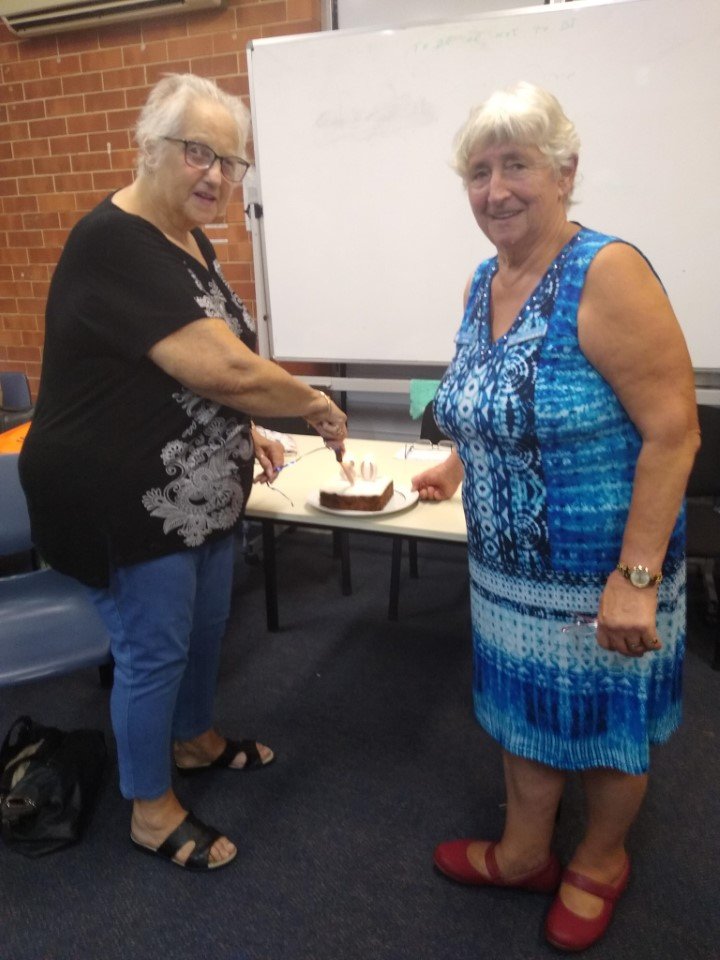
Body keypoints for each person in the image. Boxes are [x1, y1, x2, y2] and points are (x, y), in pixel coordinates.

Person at [18, 74, 347, 873]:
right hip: (121, 494)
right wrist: (309, 404)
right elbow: (223, 367)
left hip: (197, 490)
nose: (216, 176)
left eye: (231, 162)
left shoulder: (185, 237)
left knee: (204, 629)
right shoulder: (113, 241)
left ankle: (194, 741)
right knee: (154, 647)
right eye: (197, 152)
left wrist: (247, 427)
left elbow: (194, 372)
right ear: (147, 148)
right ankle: (150, 809)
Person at [411, 82, 699, 952]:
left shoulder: (606, 271)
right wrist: (458, 459)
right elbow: (491, 394)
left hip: (603, 574)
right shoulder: (482, 280)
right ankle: (525, 851)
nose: (495, 190)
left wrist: (636, 578)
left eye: (517, 166)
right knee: (521, 712)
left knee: (608, 728)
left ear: (565, 174)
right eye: (479, 171)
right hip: (503, 573)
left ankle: (600, 861)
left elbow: (674, 432)